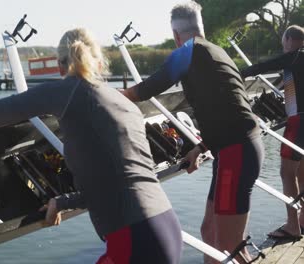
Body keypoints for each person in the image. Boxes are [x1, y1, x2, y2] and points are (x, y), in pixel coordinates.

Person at [0, 28, 182, 263]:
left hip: (133, 238)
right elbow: (119, 181)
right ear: (100, 64)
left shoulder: (67, 92)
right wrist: (63, 202)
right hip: (166, 226)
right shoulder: (124, 103)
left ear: (60, 66)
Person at [121, 2, 263, 263]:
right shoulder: (216, 51)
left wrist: (95, 95)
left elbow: (138, 93)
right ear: (201, 27)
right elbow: (226, 110)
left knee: (230, 247)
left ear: (176, 34)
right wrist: (200, 148)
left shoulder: (187, 51)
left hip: (236, 152)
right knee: (209, 234)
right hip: (238, 148)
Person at [242, 25, 304, 239]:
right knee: (301, 172)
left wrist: (236, 74)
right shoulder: (298, 60)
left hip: (298, 121)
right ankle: (302, 218)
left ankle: (292, 226)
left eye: (283, 40)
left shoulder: (294, 57)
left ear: (288, 40)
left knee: (286, 173)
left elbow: (262, 66)